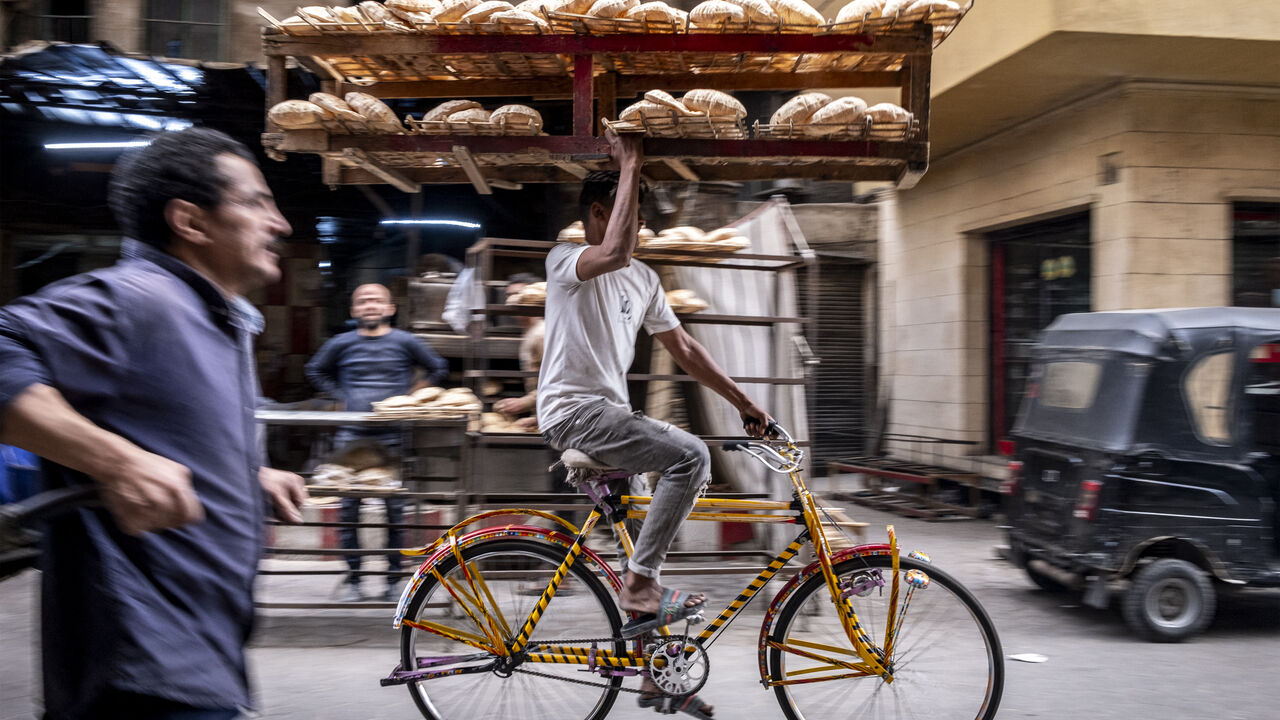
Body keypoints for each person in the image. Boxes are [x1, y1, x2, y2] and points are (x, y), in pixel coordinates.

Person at [0, 127, 307, 720]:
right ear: (190, 222)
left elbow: (161, 423)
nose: (281, 223)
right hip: (144, 670)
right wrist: (112, 459)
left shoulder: (213, 315)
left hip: (199, 657)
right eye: (256, 202)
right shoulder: (139, 297)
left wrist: (248, 473)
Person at [537, 132, 772, 719]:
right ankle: (638, 586)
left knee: (645, 548)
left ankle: (653, 677)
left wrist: (745, 403)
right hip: (577, 414)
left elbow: (686, 348)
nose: (638, 230)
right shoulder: (567, 262)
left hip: (610, 418)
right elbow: (613, 251)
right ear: (600, 212)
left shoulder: (643, 279)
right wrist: (631, 162)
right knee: (691, 457)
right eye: (631, 215)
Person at [305, 283, 449, 602]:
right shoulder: (340, 343)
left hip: (393, 435)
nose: (370, 305)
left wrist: (414, 397)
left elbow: (438, 367)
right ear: (354, 310)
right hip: (350, 435)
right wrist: (339, 397)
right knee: (349, 510)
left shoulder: (406, 341)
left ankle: (393, 580)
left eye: (376, 300)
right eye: (363, 301)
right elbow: (314, 370)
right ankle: (355, 579)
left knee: (395, 510)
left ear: (390, 308)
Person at [494, 272, 545, 431]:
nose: (512, 301)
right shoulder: (530, 332)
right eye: (509, 295)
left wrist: (525, 402)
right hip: (545, 415)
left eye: (518, 295)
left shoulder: (542, 334)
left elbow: (560, 380)